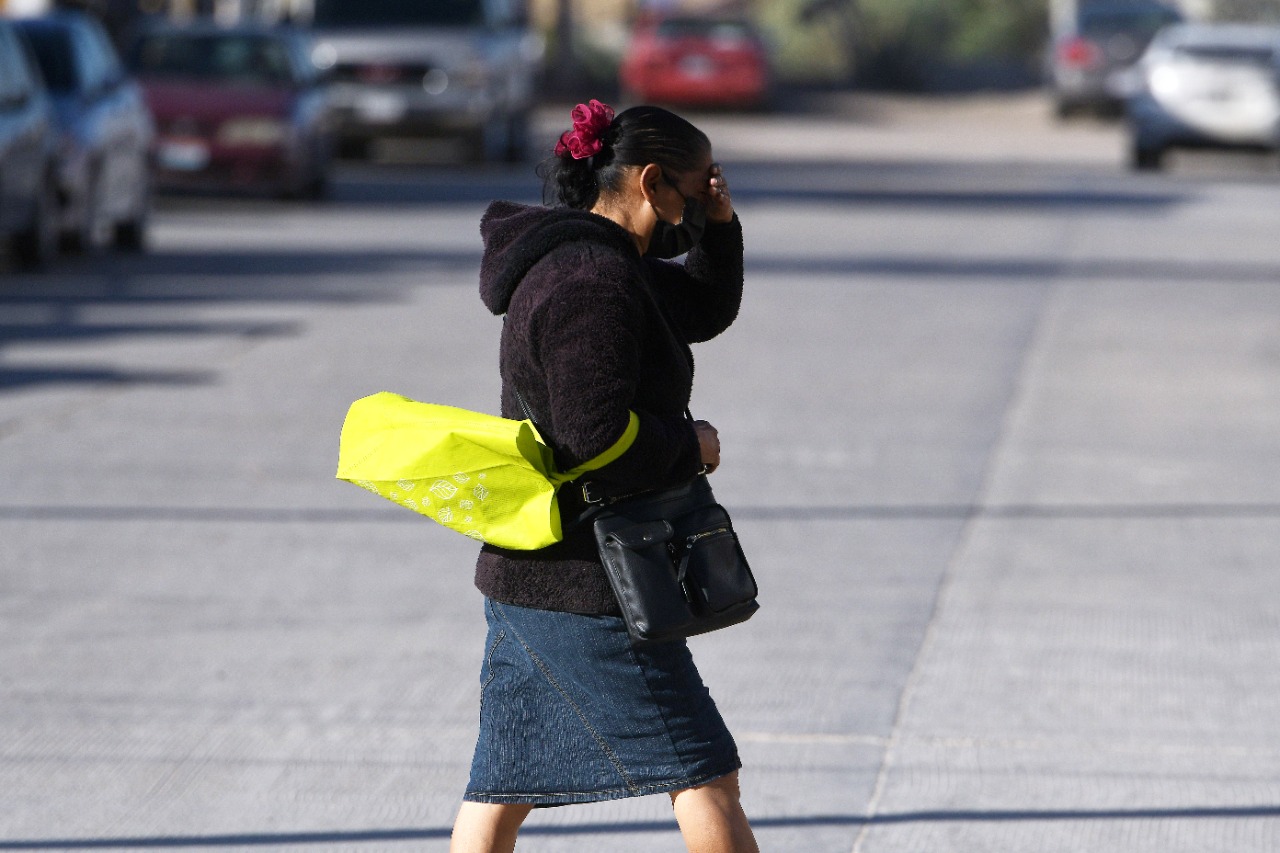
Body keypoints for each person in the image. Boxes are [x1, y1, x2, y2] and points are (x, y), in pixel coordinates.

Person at [450, 100, 758, 853]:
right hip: (591, 583)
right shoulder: (593, 279)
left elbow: (705, 307)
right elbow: (592, 435)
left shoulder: (604, 262)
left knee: (501, 788)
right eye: (690, 190)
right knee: (704, 773)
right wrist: (691, 445)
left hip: (536, 575)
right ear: (651, 181)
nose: (691, 210)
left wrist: (717, 222)